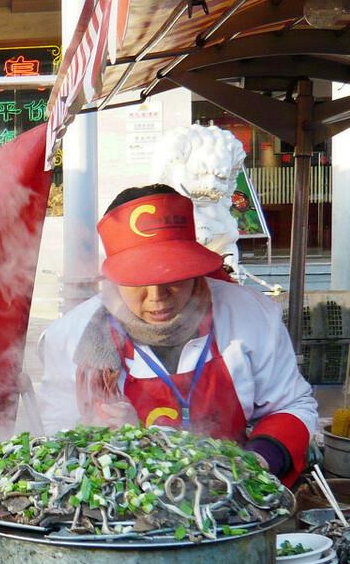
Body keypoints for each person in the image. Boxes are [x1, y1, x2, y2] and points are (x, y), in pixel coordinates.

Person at [38, 184, 316, 484]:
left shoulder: (250, 315)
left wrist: (259, 460)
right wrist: (102, 437)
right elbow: (57, 430)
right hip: (119, 503)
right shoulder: (70, 336)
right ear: (115, 277)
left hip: (229, 492)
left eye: (172, 275)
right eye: (138, 280)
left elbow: (291, 405)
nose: (157, 296)